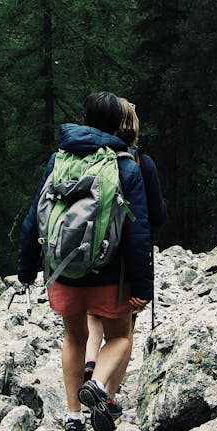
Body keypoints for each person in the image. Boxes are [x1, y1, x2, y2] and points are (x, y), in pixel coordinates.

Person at [18, 92, 153, 431]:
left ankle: (74, 416)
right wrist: (143, 287)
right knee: (120, 337)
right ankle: (100, 386)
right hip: (111, 274)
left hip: (63, 271)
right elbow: (139, 232)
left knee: (74, 338)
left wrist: (27, 269)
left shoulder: (60, 160)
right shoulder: (124, 165)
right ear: (119, 123)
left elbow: (35, 218)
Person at [84, 99, 167, 387]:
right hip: (123, 263)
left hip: (87, 251)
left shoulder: (89, 157)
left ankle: (90, 360)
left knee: (93, 314)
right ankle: (107, 395)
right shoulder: (142, 163)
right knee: (123, 333)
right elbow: (156, 216)